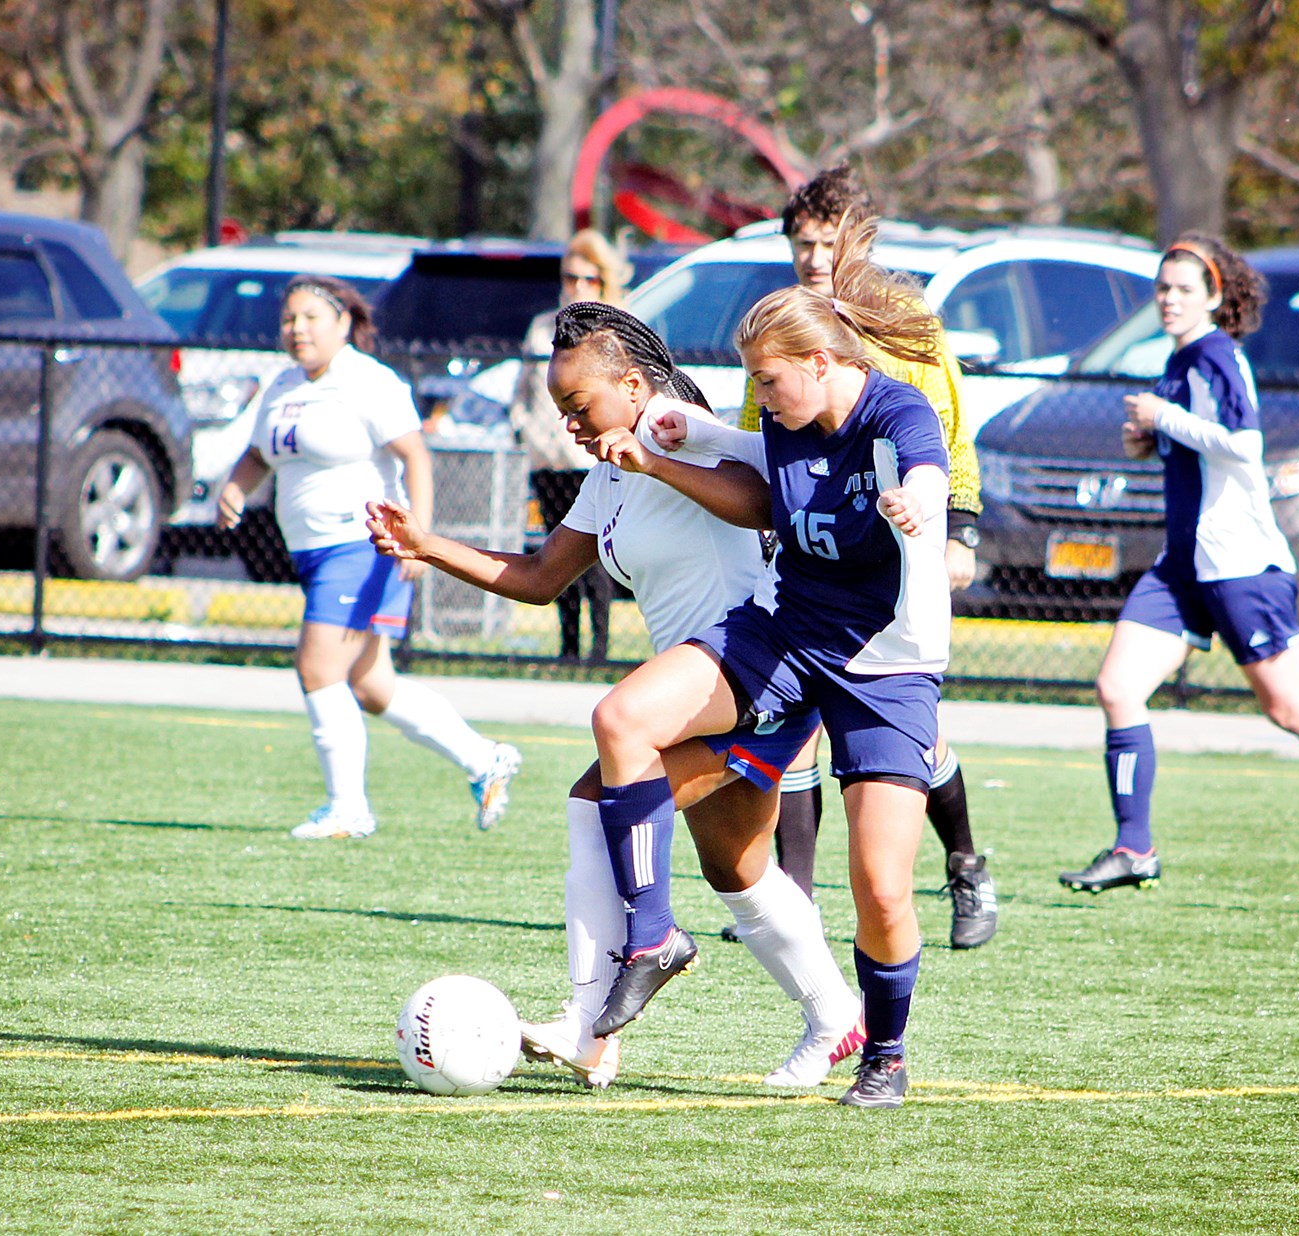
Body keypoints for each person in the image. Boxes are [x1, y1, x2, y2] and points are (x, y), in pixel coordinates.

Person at [368, 301, 866, 1089]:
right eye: (561, 408)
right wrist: (427, 546)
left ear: (633, 385)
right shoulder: (608, 466)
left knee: (612, 747)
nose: (568, 421)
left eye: (579, 404)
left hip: (761, 657)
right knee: (736, 867)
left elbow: (767, 501)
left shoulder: (674, 425)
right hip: (703, 680)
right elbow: (538, 580)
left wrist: (654, 459)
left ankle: (615, 988)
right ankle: (838, 1018)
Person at [584, 211, 953, 1108]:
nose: (761, 395)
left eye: (769, 379)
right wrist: (692, 433)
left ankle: (884, 1054)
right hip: (783, 635)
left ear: (822, 365)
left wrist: (917, 501)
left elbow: (927, 466)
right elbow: (773, 462)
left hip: (886, 668)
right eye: (753, 380)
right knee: (621, 723)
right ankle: (651, 936)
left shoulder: (894, 409)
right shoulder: (787, 417)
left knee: (879, 886)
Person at [1058, 233, 1299, 918]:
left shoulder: (1219, 357)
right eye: (1162, 288)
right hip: (1184, 565)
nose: (1167, 299)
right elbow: (1196, 446)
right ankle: (1134, 847)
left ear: (1215, 297)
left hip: (1241, 567)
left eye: (1183, 289)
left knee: (1290, 709)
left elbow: (1244, 448)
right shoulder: (1179, 359)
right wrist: (1151, 439)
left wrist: (1166, 418)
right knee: (1117, 686)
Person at [727, 163, 996, 950]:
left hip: (902, 549)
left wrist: (958, 526)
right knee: (797, 727)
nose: (814, 255)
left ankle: (966, 862)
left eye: (827, 239)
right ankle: (795, 903)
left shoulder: (902, 314)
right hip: (817, 558)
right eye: (801, 242)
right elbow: (763, 432)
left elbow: (947, 423)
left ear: (857, 236)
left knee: (916, 736)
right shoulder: (786, 329)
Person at [217, 274, 521, 839]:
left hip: (361, 544)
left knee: (316, 666)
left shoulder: (367, 381)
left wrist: (419, 537)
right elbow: (258, 455)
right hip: (312, 553)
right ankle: (485, 759)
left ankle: (347, 808)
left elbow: (415, 457)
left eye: (311, 317)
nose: (297, 328)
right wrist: (236, 486)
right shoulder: (282, 384)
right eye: (289, 319)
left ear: (343, 324)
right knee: (372, 686)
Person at [506, 230, 631, 662]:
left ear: (604, 282)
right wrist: (521, 426)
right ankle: (568, 647)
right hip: (548, 456)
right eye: (570, 277)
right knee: (555, 555)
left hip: (590, 459)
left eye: (588, 280)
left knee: (594, 553)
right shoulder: (544, 327)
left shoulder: (613, 327)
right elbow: (522, 389)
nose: (577, 287)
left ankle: (599, 648)